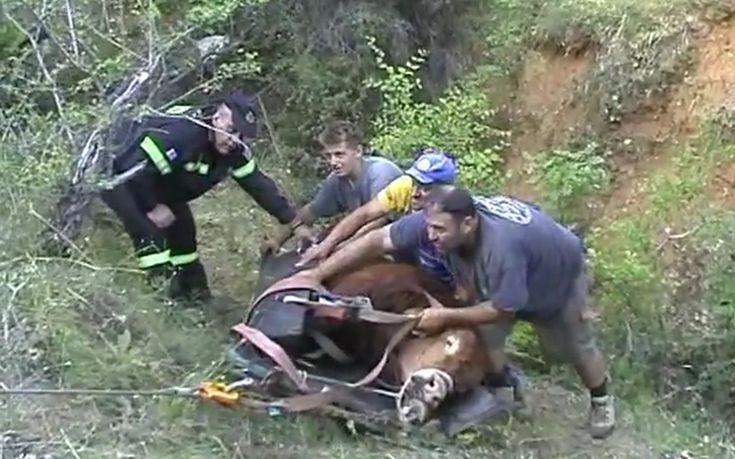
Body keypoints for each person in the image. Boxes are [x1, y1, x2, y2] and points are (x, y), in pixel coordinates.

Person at [294, 186, 616, 439]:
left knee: (572, 344)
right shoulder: (435, 224)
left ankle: (602, 402)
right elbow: (376, 241)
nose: (431, 237)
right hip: (505, 271)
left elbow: (503, 309)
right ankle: (503, 392)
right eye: (429, 227)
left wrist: (446, 316)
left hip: (557, 275)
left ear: (468, 223)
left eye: (440, 230)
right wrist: (319, 273)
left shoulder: (502, 250)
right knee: (483, 330)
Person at [99, 90, 301, 303]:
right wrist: (152, 206)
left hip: (161, 182)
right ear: (217, 119)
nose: (235, 140)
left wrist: (292, 221)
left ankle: (196, 298)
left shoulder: (233, 151)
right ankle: (162, 303)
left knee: (184, 234)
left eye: (242, 136)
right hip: (122, 176)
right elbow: (135, 167)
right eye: (231, 130)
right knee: (151, 235)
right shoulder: (183, 134)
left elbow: (259, 185)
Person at [296, 148, 458, 283]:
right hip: (407, 254)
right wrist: (327, 246)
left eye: (426, 188)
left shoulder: (456, 216)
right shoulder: (404, 186)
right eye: (415, 183)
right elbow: (364, 214)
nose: (415, 193)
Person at [264, 120, 402, 252]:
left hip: (405, 239)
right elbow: (310, 212)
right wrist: (277, 240)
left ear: (358, 151)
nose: (333, 162)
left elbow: (378, 222)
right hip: (374, 239)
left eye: (339, 154)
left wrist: (338, 248)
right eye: (328, 156)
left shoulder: (380, 173)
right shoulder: (337, 180)